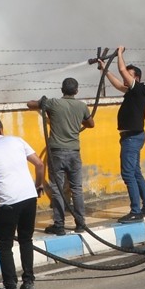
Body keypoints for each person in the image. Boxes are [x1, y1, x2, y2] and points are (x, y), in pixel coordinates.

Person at [0, 117, 46, 289]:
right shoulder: (17, 141)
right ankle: (28, 282)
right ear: (1, 130)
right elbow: (39, 164)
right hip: (29, 198)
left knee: (5, 246)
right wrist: (38, 185)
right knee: (26, 239)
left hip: (8, 204)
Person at [27, 78, 93, 235]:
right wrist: (78, 122)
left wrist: (42, 101)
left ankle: (59, 225)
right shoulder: (82, 106)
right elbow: (91, 124)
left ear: (62, 89)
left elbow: (30, 104)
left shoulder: (53, 103)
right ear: (76, 91)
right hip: (74, 152)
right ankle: (80, 223)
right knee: (76, 188)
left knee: (57, 189)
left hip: (56, 153)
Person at [100, 46, 145, 223]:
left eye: (129, 76)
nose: (125, 78)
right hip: (131, 137)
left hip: (132, 138)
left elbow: (122, 70)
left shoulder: (139, 90)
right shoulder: (132, 92)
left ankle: (135, 211)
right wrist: (105, 70)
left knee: (128, 174)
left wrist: (120, 53)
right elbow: (117, 83)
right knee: (136, 173)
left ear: (136, 78)